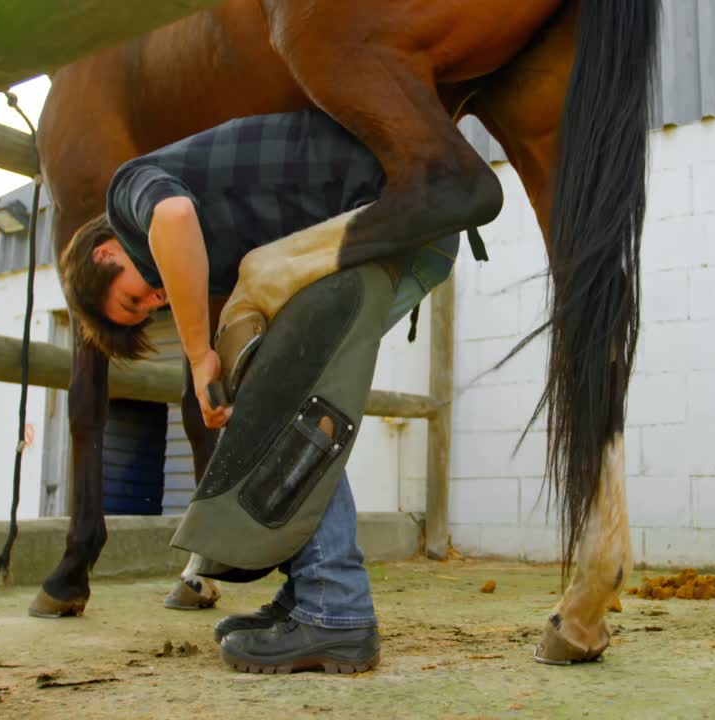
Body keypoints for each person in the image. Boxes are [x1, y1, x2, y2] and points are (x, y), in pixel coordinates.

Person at [58, 108, 459, 674]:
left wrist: (199, 354)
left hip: (387, 208)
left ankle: (336, 609)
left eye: (132, 299)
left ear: (105, 253)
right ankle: (311, 592)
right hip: (396, 229)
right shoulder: (220, 247)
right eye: (146, 311)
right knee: (287, 396)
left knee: (289, 397)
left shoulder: (130, 192)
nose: (155, 303)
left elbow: (172, 216)